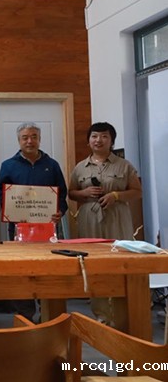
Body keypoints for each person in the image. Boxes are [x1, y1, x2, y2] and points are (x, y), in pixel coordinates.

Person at [68, 122, 142, 324]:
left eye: (104, 136)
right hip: (89, 218)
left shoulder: (124, 165)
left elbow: (137, 192)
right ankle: (101, 317)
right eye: (94, 136)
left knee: (120, 262)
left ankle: (122, 317)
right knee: (94, 264)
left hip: (117, 216)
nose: (98, 140)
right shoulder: (80, 167)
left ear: (111, 141)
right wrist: (84, 193)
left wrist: (116, 195)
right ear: (88, 140)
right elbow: (71, 193)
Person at [0, 121, 68, 321]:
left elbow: (62, 194)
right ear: (19, 141)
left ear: (40, 139)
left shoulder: (52, 165)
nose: (30, 141)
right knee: (22, 269)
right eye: (25, 137)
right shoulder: (8, 165)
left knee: (49, 269)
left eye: (34, 137)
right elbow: (1, 194)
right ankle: (25, 315)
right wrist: (11, 210)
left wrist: (60, 211)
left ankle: (48, 314)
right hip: (20, 227)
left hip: (48, 229)